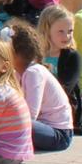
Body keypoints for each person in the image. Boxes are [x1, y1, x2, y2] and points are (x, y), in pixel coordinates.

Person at [8, 23, 74, 152]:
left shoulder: (34, 72)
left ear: (17, 53)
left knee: (12, 122)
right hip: (41, 128)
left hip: (59, 135)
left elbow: (30, 115)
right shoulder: (17, 72)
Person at [37, 6, 82, 135]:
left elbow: (66, 88)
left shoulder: (72, 57)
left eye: (70, 31)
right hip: (37, 104)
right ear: (47, 30)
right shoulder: (36, 55)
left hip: (61, 109)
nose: (67, 36)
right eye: (60, 31)